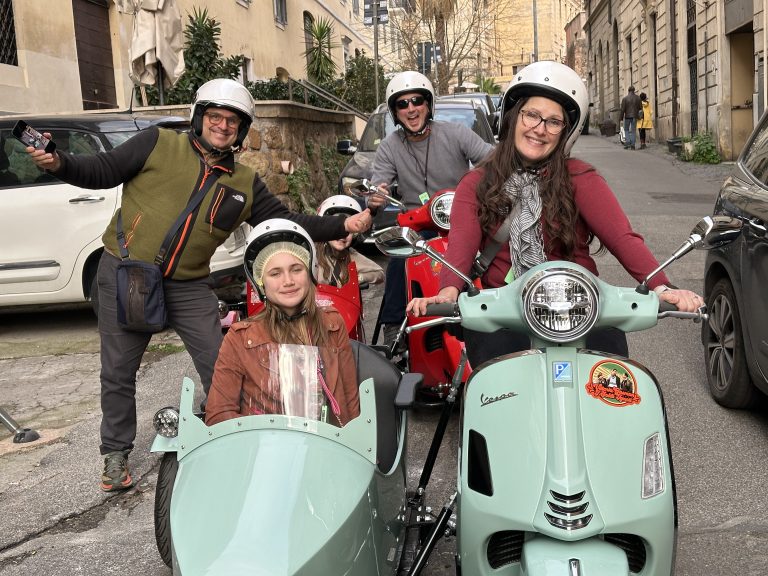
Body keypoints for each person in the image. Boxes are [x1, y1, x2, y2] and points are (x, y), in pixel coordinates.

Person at [25, 78, 372, 492]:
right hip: (128, 272)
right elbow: (100, 171)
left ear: (241, 131)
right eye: (215, 117)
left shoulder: (243, 182)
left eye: (232, 121)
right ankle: (114, 452)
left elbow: (285, 219)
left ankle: (234, 434)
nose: (222, 126)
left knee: (224, 359)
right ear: (199, 117)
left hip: (188, 284)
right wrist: (58, 162)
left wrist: (341, 223)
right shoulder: (157, 143)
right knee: (118, 369)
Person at [407, 61, 705, 369]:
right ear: (513, 117)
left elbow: (623, 238)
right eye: (532, 115)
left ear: (566, 132)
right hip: (505, 310)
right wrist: (447, 293)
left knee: (613, 392)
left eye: (553, 122)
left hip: (581, 308)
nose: (539, 128)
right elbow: (461, 248)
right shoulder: (477, 182)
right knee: (496, 395)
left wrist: (662, 287)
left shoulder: (579, 177)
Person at [368, 71, 493, 345]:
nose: (411, 108)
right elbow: (379, 183)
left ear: (428, 104)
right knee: (398, 262)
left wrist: (490, 179)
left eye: (417, 101)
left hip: (463, 219)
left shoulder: (456, 133)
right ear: (395, 112)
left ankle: (499, 317)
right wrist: (377, 195)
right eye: (402, 104)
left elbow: (492, 159)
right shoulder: (389, 146)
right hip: (419, 225)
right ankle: (393, 329)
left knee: (496, 256)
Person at [205, 219, 361, 426]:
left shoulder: (332, 324)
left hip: (327, 448)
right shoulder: (239, 338)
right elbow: (219, 415)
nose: (288, 281)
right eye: (275, 273)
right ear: (261, 283)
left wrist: (356, 446)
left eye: (296, 269)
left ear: (309, 273)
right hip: (264, 450)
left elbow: (349, 398)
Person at [315, 195, 384, 287]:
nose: (343, 236)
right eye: (337, 230)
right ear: (326, 228)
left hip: (342, 300)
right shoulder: (311, 253)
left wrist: (359, 278)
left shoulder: (351, 256)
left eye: (349, 232)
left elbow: (379, 274)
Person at [620, 86, 642, 150]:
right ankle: (633, 145)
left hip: (627, 116)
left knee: (626, 130)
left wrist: (621, 118)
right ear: (634, 90)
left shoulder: (625, 98)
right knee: (633, 131)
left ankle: (628, 142)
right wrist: (640, 116)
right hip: (635, 116)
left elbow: (622, 109)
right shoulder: (638, 98)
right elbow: (641, 108)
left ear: (628, 91)